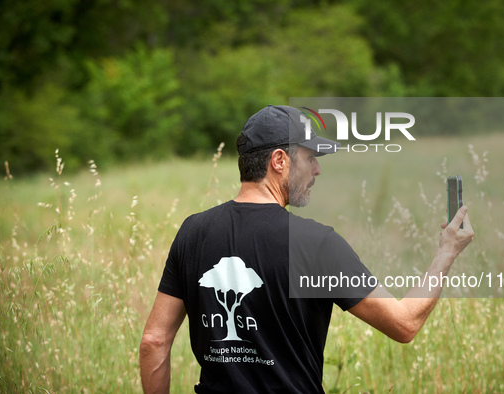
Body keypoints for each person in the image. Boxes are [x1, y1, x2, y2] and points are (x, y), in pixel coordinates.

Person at [139, 105, 474, 393]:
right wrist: (446, 252)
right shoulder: (315, 243)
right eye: (310, 158)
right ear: (279, 160)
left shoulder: (193, 232)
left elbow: (154, 341)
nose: (317, 169)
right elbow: (404, 324)